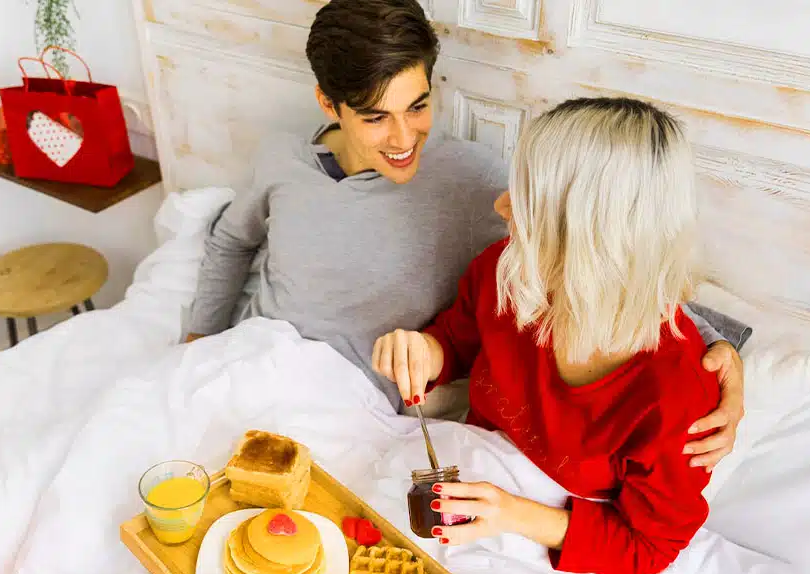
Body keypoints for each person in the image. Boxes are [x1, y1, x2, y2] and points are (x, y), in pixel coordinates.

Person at [184, 0, 748, 469]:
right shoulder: (279, 159)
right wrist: (196, 341)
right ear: (328, 104)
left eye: (419, 106)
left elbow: (609, 252)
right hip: (245, 358)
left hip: (343, 405)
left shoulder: (479, 182)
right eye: (376, 116)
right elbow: (232, 242)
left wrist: (721, 356)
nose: (404, 137)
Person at [372, 97, 723, 574]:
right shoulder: (505, 271)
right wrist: (420, 353)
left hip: (560, 546)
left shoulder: (677, 393)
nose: (500, 206)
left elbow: (647, 548)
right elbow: (455, 343)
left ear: (588, 229)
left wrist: (512, 513)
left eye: (526, 197)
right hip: (468, 482)